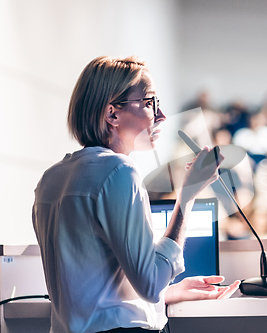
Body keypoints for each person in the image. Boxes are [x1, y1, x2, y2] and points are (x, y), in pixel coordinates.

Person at [32, 56, 239, 333]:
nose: (162, 115)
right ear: (112, 114)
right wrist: (187, 196)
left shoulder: (51, 178)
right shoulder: (119, 171)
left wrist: (171, 292)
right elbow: (151, 284)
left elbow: (93, 290)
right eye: (150, 102)